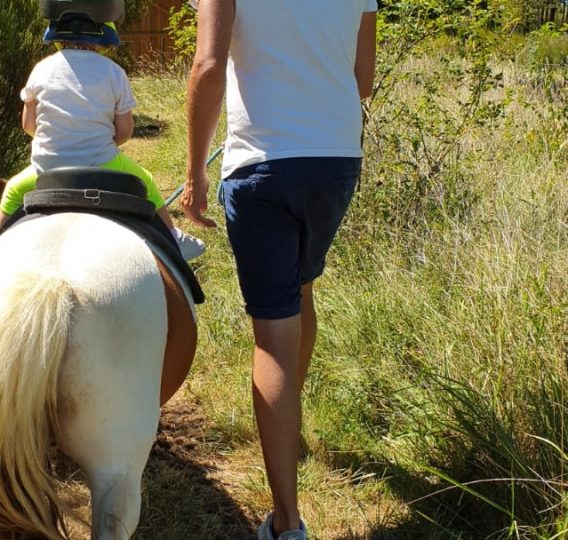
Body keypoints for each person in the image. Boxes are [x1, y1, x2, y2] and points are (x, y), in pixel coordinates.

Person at [181, 1, 377, 539]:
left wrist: (195, 170)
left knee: (273, 335)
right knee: (301, 291)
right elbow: (363, 81)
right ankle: (289, 423)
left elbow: (208, 68)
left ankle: (287, 524)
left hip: (262, 165)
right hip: (335, 161)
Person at [0, 12, 206, 261]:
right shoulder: (113, 72)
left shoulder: (41, 69)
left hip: (46, 168)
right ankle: (174, 239)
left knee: (11, 190)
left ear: (58, 35)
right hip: (103, 162)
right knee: (146, 181)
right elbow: (125, 132)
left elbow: (29, 125)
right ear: (101, 36)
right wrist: (102, 143)